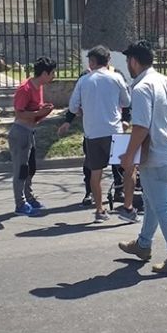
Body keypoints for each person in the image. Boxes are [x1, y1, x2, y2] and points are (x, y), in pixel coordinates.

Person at [118, 40, 167, 274]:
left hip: (156, 157)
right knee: (152, 202)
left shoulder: (141, 88)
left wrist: (128, 155)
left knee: (163, 207)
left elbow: (140, 127)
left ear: (133, 61)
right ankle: (143, 244)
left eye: (128, 60)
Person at [58, 46, 130, 223]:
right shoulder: (117, 77)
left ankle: (99, 210)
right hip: (115, 131)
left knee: (95, 173)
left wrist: (69, 120)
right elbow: (127, 101)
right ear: (108, 61)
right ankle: (128, 208)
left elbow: (74, 106)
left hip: (93, 133)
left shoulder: (84, 81)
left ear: (92, 62)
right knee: (130, 169)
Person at [9, 56, 56, 216]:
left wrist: (43, 110)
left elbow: (36, 110)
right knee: (21, 169)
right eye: (52, 73)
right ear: (44, 73)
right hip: (20, 132)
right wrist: (40, 112)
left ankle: (29, 197)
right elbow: (19, 113)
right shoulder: (25, 89)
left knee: (30, 168)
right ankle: (19, 203)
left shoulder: (39, 87)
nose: (53, 76)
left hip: (30, 131)